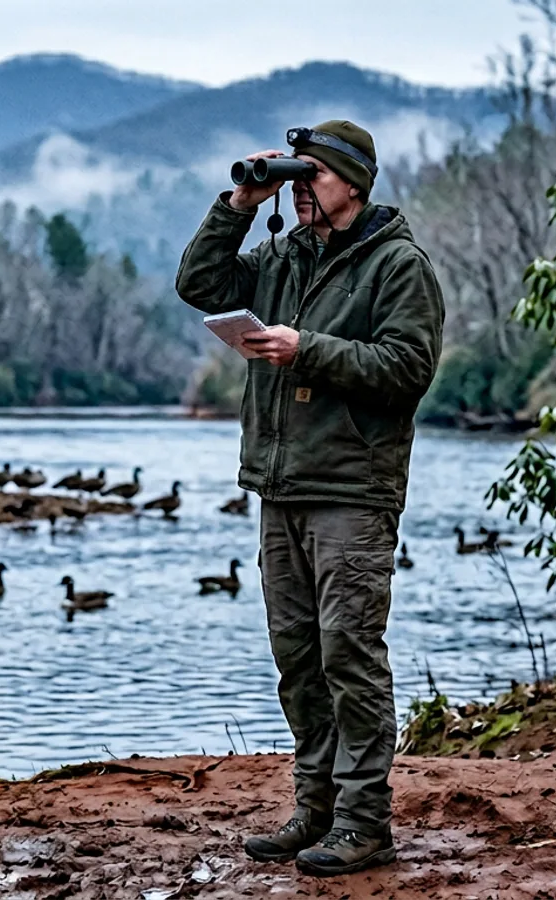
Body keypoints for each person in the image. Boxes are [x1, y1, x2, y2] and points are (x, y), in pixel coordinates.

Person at [174, 120, 443, 876]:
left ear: (353, 186)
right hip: (280, 484)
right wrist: (238, 203)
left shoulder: (398, 265)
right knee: (297, 659)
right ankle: (315, 808)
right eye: (290, 182)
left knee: (349, 656)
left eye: (309, 180)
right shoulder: (284, 255)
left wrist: (306, 349)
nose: (297, 194)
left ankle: (365, 823)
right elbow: (199, 285)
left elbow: (408, 366)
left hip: (353, 490)